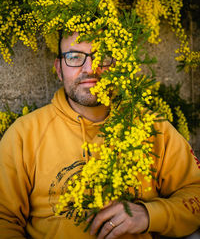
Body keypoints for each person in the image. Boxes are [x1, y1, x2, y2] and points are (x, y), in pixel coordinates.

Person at [0, 31, 200, 239]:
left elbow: (196, 192)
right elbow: (3, 219)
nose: (90, 68)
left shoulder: (155, 129)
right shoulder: (24, 135)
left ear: (116, 65)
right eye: (74, 57)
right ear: (59, 69)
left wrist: (149, 215)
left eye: (102, 56)